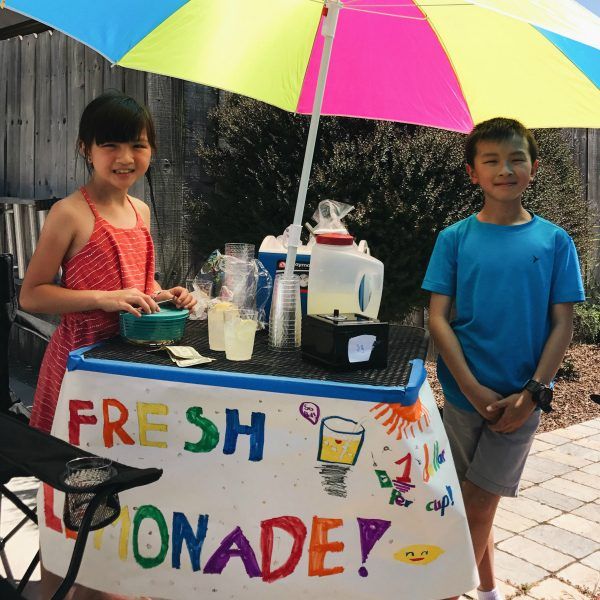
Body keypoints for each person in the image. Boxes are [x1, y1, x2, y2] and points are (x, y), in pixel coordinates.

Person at [20, 90, 195, 599]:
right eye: (110, 144)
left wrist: (162, 294)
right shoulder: (70, 214)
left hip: (129, 377)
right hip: (77, 374)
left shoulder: (141, 210)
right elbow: (33, 294)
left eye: (137, 146)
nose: (124, 158)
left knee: (117, 497)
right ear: (85, 148)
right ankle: (61, 587)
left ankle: (106, 585)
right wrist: (105, 297)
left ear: (152, 151)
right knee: (70, 503)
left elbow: (139, 283)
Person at [422, 118, 585, 600]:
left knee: (476, 500)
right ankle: (489, 591)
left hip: (522, 400)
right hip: (463, 395)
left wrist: (534, 392)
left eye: (516, 159)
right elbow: (437, 319)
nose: (505, 169)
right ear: (473, 173)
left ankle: (445, 594)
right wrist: (471, 389)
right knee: (472, 499)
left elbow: (563, 324)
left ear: (533, 169)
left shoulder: (556, 242)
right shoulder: (453, 239)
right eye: (491, 160)